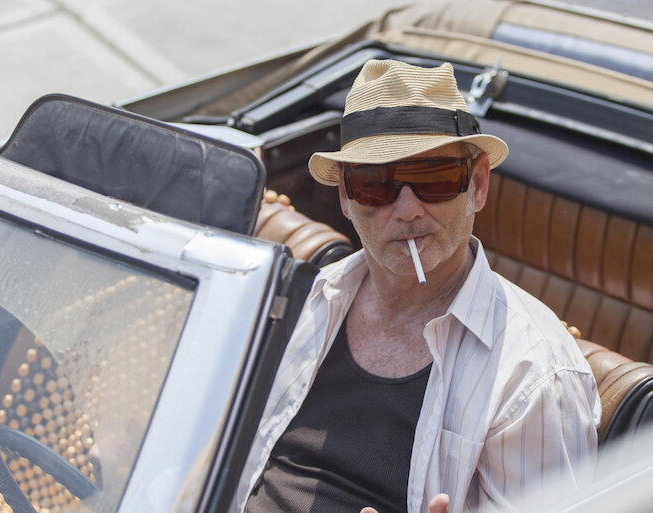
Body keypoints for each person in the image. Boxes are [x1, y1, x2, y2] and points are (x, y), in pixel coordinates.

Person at [238, 59, 601, 513]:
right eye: (375, 184)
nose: (407, 210)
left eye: (435, 178)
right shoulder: (305, 299)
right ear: (346, 198)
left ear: (478, 185)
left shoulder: (535, 376)